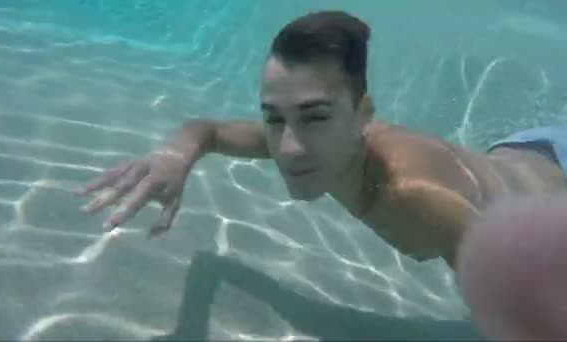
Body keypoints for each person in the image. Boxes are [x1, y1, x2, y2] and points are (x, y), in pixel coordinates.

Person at [74, 11, 567, 340]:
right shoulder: (319, 145)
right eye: (273, 117)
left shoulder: (417, 201)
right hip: (524, 150)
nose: (287, 148)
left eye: (314, 116)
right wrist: (176, 155)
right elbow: (209, 130)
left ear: (363, 115)